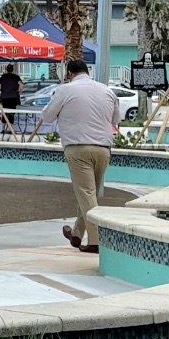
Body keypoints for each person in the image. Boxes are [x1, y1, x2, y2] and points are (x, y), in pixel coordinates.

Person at [42, 58, 121, 251]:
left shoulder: (65, 90)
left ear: (69, 74)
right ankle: (77, 233)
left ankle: (95, 242)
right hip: (103, 149)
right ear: (87, 71)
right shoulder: (106, 90)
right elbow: (116, 119)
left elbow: (47, 116)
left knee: (86, 193)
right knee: (90, 193)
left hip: (78, 148)